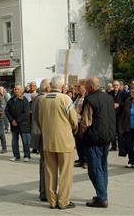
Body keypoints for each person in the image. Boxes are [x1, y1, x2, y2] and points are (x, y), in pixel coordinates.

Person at [39, 76, 78, 210]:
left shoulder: (43, 99)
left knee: (50, 172)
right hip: (64, 141)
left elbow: (40, 120)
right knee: (65, 173)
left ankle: (52, 201)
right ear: (62, 86)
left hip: (48, 140)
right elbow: (74, 120)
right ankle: (63, 201)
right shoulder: (65, 99)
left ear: (51, 85)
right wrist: (74, 129)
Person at [80, 78, 115, 208]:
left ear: (90, 87)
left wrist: (81, 134)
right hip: (107, 137)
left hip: (94, 138)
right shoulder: (109, 98)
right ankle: (102, 194)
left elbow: (86, 122)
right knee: (102, 167)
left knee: (94, 169)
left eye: (86, 86)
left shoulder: (90, 100)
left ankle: (102, 198)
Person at [30, 78, 51, 202]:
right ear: (47, 87)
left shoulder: (38, 98)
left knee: (44, 164)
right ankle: (44, 192)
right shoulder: (43, 99)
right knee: (46, 165)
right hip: (43, 135)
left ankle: (43, 191)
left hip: (39, 134)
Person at [5, 84, 31, 162]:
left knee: (25, 142)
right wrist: (12, 120)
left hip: (23, 125)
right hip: (14, 125)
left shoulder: (24, 100)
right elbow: (7, 111)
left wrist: (17, 121)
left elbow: (26, 113)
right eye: (15, 89)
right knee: (14, 141)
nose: (16, 91)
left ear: (22, 90)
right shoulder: (11, 100)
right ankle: (16, 155)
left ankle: (27, 156)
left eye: (18, 89)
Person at [108, 80, 125, 154]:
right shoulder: (109, 93)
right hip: (112, 115)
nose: (115, 87)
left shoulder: (123, 93)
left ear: (119, 86)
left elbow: (126, 103)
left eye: (117, 85)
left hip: (120, 115)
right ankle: (113, 146)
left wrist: (119, 105)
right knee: (113, 131)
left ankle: (121, 147)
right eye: (114, 85)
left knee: (120, 131)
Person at [74, 80, 88, 169]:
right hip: (77, 122)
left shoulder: (88, 96)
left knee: (85, 142)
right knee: (78, 142)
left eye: (79, 86)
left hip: (84, 122)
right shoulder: (78, 96)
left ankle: (87, 161)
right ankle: (81, 159)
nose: (77, 88)